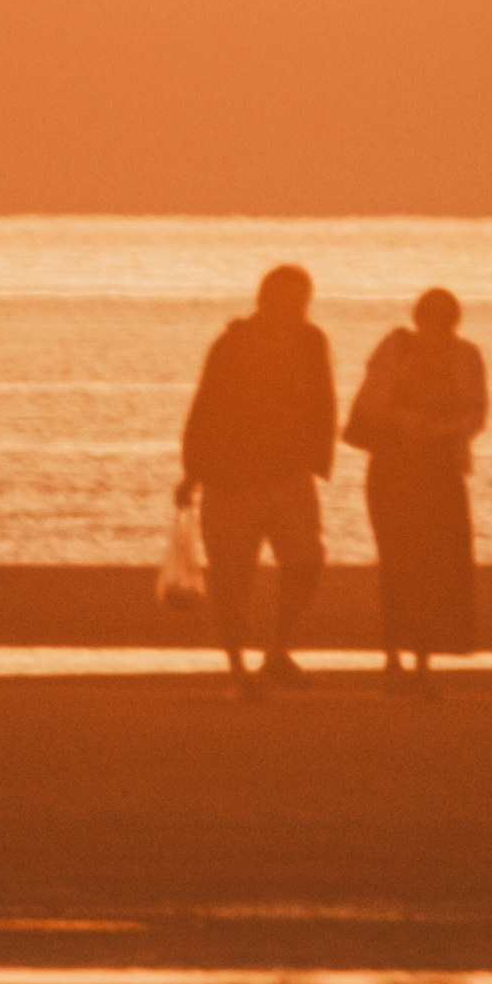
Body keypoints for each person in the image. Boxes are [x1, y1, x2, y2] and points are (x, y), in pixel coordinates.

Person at [178, 263, 337, 685]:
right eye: (284, 300)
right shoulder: (232, 344)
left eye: (300, 301)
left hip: (290, 476)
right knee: (231, 577)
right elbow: (205, 407)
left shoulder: (310, 341)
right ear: (264, 300)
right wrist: (192, 473)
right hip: (231, 480)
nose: (293, 309)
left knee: (305, 563)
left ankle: (277, 649)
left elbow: (324, 400)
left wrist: (319, 460)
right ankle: (236, 665)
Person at [346, 285, 488, 678]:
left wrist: (442, 427)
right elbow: (370, 402)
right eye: (431, 317)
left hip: (440, 467)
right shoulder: (395, 349)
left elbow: (476, 412)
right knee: (397, 561)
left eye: (445, 318)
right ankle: (393, 654)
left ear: (454, 320)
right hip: (392, 467)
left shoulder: (466, 355)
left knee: (437, 564)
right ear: (418, 317)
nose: (437, 325)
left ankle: (423, 657)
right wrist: (404, 420)